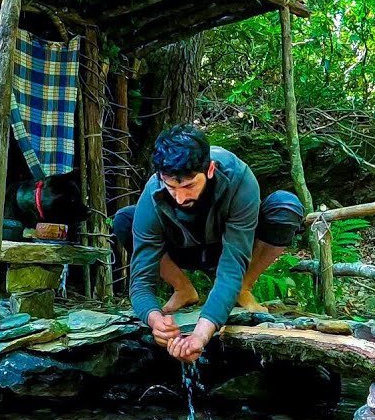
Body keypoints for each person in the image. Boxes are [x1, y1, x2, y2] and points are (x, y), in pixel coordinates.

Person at [112, 124, 305, 363]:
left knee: (286, 206)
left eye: (189, 186)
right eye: (171, 188)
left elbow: (232, 266)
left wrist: (201, 335)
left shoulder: (239, 179)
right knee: (124, 220)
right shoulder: (153, 191)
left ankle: (242, 288)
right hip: (182, 248)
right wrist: (154, 320)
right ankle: (183, 288)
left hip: (231, 248)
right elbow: (140, 281)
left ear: (210, 169)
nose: (180, 198)